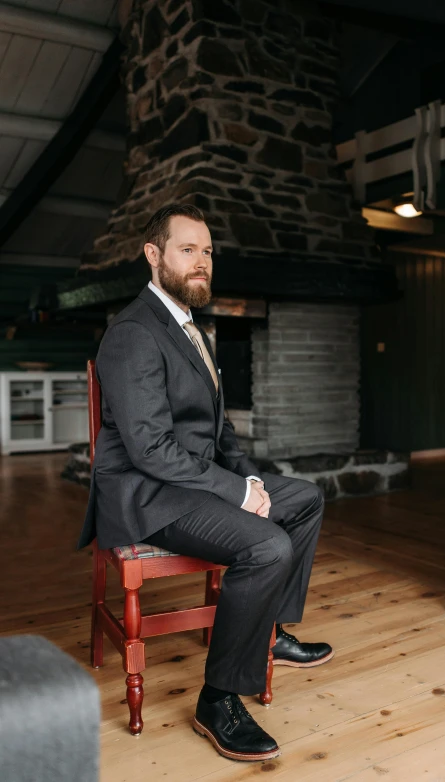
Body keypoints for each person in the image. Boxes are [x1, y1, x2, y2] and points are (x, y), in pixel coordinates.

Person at [78, 203, 333, 762]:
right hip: (147, 497)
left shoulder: (192, 330)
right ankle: (217, 701)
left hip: (195, 480)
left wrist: (247, 478)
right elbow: (148, 449)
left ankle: (269, 630)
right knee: (269, 545)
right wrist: (237, 492)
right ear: (153, 255)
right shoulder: (132, 333)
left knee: (306, 498)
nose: (202, 262)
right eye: (187, 249)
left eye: (208, 251)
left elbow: (221, 432)